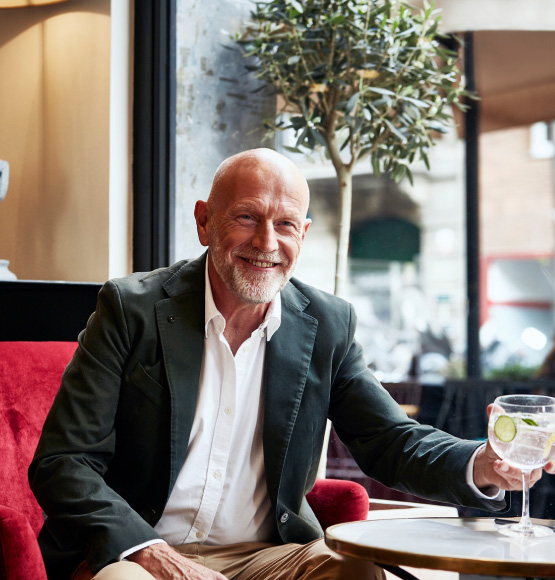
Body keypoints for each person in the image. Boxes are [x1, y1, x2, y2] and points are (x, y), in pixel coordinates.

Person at [30, 148, 552, 580]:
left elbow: (390, 440)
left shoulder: (326, 323)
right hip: (140, 552)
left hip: (266, 556)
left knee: (357, 575)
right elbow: (64, 462)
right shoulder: (131, 308)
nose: (266, 243)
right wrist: (147, 551)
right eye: (246, 217)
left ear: (302, 235)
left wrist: (482, 462)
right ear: (204, 221)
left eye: (284, 225)